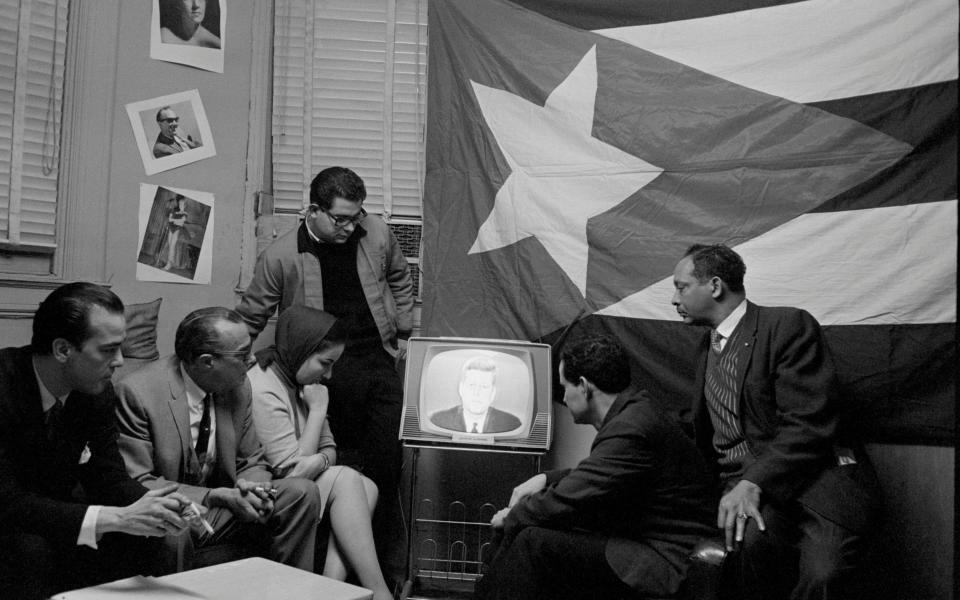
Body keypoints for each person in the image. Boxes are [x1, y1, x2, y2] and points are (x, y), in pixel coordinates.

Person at [671, 244, 878, 600]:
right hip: (748, 493)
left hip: (815, 485)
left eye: (681, 286)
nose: (674, 299)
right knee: (748, 550)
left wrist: (754, 480)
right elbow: (702, 426)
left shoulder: (787, 325)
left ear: (715, 286)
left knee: (823, 574)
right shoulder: (706, 348)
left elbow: (809, 423)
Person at [236, 166, 414, 539]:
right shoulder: (281, 256)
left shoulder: (377, 231)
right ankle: (327, 563)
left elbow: (399, 275)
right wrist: (238, 365)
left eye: (356, 217)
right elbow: (251, 317)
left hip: (378, 361)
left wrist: (404, 329)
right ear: (312, 210)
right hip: (324, 373)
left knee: (386, 461)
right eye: (340, 219)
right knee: (339, 463)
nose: (350, 227)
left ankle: (373, 560)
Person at [475, 335, 716, 600]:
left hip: (663, 558)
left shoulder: (631, 427)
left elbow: (572, 495)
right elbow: (597, 473)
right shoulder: (634, 413)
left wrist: (511, 516)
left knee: (532, 541)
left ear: (584, 386)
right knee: (529, 532)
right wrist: (545, 477)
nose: (564, 398)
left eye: (564, 387)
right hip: (644, 541)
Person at [0, 282, 193, 600]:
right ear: (63, 350)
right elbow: (7, 502)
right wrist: (114, 518)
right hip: (11, 521)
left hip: (50, 517)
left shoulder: (96, 392)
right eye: (107, 350)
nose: (119, 361)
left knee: (146, 536)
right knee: (28, 550)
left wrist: (153, 505)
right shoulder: (5, 387)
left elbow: (108, 476)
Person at [114, 307, 323, 573]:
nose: (252, 361)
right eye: (242, 355)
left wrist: (255, 490)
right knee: (172, 525)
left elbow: (252, 460)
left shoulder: (239, 386)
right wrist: (213, 496)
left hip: (225, 504)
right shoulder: (137, 393)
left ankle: (287, 591)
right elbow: (138, 480)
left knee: (301, 493)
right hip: (177, 504)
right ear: (206, 362)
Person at [247, 305, 393, 600]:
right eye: (324, 363)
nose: (328, 375)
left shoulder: (304, 381)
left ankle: (329, 591)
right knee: (349, 480)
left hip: (302, 482)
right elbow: (291, 471)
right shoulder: (263, 387)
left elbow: (330, 449)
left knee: (369, 487)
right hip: (269, 489)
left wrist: (321, 457)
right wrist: (317, 411)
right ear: (301, 349)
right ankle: (377, 592)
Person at [429, 356, 521, 434]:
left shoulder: (512, 424)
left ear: (493, 393)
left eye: (484, 387)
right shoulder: (438, 421)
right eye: (472, 385)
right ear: (461, 389)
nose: (477, 393)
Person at [156, 195, 191, 272]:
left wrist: (175, 220)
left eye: (183, 204)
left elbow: (181, 223)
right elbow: (170, 219)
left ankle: (168, 265)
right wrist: (176, 220)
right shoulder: (174, 210)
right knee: (170, 245)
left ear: (185, 206)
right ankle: (170, 262)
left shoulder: (185, 213)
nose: (181, 206)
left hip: (177, 230)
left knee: (172, 246)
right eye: (180, 204)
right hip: (171, 229)